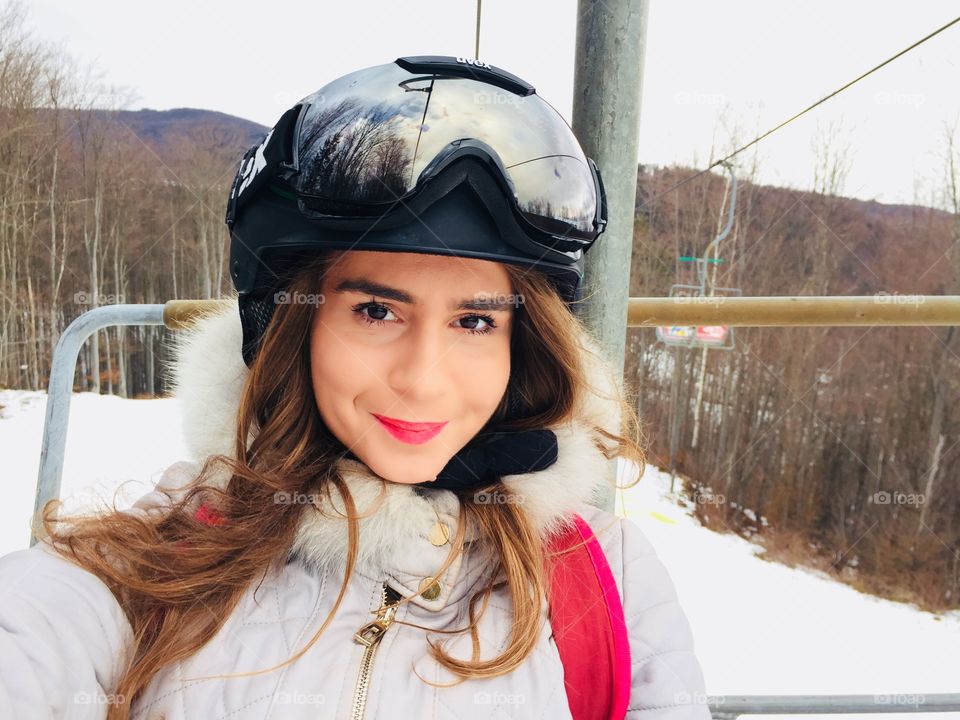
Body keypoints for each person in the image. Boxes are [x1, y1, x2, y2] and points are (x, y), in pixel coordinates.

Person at [0, 56, 710, 719]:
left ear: (524, 347)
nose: (423, 380)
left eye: (474, 321)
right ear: (291, 326)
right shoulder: (157, 566)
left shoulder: (603, 584)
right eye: (375, 311)